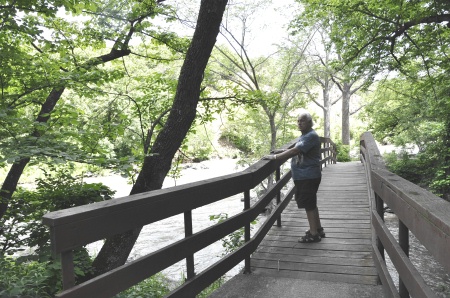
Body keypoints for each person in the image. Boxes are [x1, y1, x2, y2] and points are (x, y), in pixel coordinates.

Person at [262, 112, 324, 243]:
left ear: (309, 122)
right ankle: (318, 229)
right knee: (311, 203)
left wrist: (275, 157)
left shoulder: (310, 136)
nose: (299, 123)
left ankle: (313, 234)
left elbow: (295, 151)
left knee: (309, 204)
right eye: (298, 121)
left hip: (308, 175)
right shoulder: (305, 135)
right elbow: (295, 148)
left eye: (302, 121)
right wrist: (280, 151)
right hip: (306, 175)